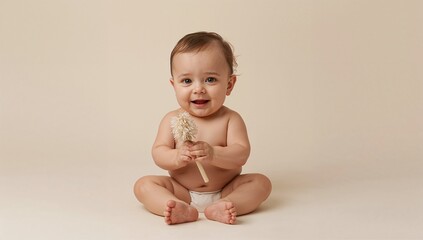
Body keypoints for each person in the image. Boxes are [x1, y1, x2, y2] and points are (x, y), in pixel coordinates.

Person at [134, 31, 272, 225]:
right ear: (174, 85)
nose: (198, 89)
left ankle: (226, 205)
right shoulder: (172, 119)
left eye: (210, 79)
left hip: (226, 187)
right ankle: (175, 206)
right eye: (187, 81)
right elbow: (158, 153)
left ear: (229, 84)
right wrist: (177, 156)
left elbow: (241, 154)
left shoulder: (230, 119)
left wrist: (213, 153)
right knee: (143, 185)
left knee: (261, 183)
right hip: (181, 190)